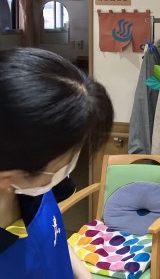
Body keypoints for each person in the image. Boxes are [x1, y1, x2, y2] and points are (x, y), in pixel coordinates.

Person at [0, 47, 114, 278]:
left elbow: (54, 239)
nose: (71, 165)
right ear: (7, 176)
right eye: (66, 159)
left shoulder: (33, 187)